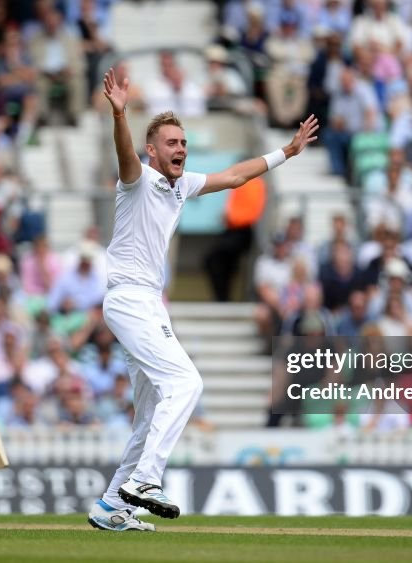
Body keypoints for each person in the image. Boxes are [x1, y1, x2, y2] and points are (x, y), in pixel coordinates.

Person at [88, 67, 317, 532]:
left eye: (183, 143)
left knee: (149, 412)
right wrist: (120, 113)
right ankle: (146, 482)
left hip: (147, 303)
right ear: (153, 150)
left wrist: (287, 153)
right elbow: (125, 154)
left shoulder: (181, 184)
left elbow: (234, 176)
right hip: (129, 300)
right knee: (187, 384)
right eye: (171, 143)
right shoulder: (136, 180)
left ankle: (112, 505)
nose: (180, 149)